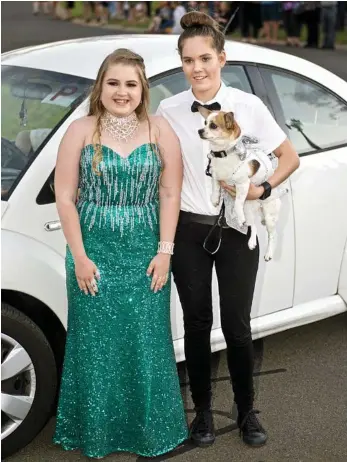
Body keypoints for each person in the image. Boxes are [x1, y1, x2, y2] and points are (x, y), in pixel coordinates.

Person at [157, 11, 300, 449]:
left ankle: (246, 410)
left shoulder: (249, 107)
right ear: (181, 63)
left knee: (237, 325)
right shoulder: (168, 109)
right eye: (187, 60)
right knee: (197, 325)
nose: (196, 68)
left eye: (204, 58)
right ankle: (201, 413)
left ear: (222, 58)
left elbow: (289, 157)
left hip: (237, 229)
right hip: (188, 232)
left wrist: (261, 189)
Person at [53, 48, 188, 459]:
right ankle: (96, 432)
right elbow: (64, 196)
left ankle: (151, 433)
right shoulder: (80, 129)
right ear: (100, 86)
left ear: (143, 89)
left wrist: (165, 252)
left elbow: (169, 192)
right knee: (95, 345)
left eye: (131, 84)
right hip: (92, 253)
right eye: (113, 83)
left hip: (147, 252)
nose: (122, 91)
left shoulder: (161, 130)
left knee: (147, 343)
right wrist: (79, 255)